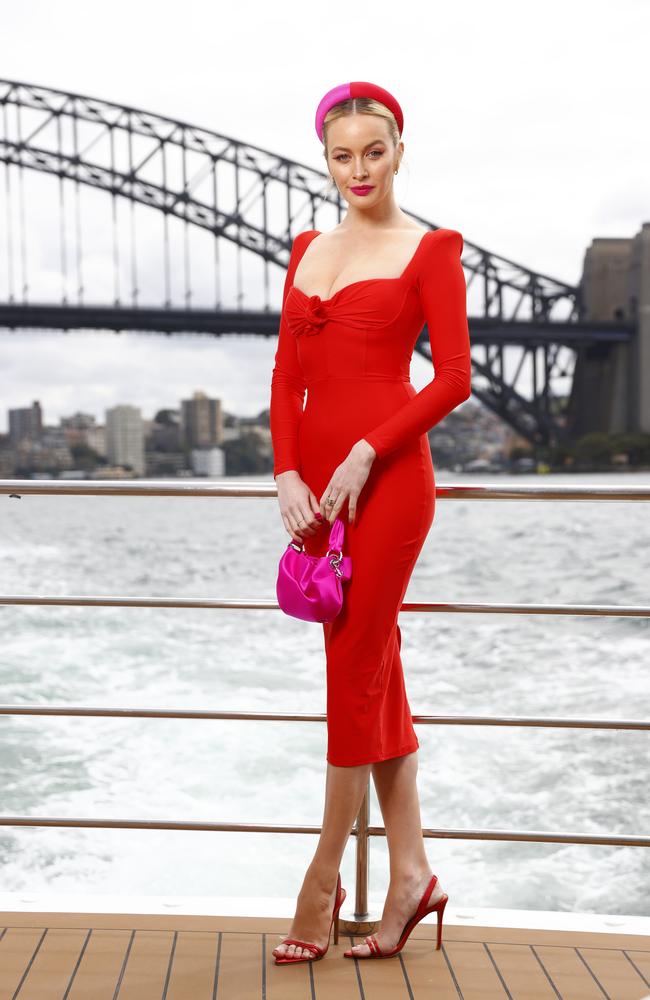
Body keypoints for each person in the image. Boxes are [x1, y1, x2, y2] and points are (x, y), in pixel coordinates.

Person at [269, 81, 472, 963]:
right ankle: (411, 875)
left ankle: (322, 883)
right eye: (342, 155)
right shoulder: (307, 248)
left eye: (374, 152)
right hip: (313, 493)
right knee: (371, 669)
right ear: (327, 159)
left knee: (351, 673)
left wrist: (363, 453)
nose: (359, 169)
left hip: (386, 486)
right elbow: (285, 375)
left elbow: (454, 379)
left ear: (399, 150)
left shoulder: (431, 250)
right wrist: (283, 468)